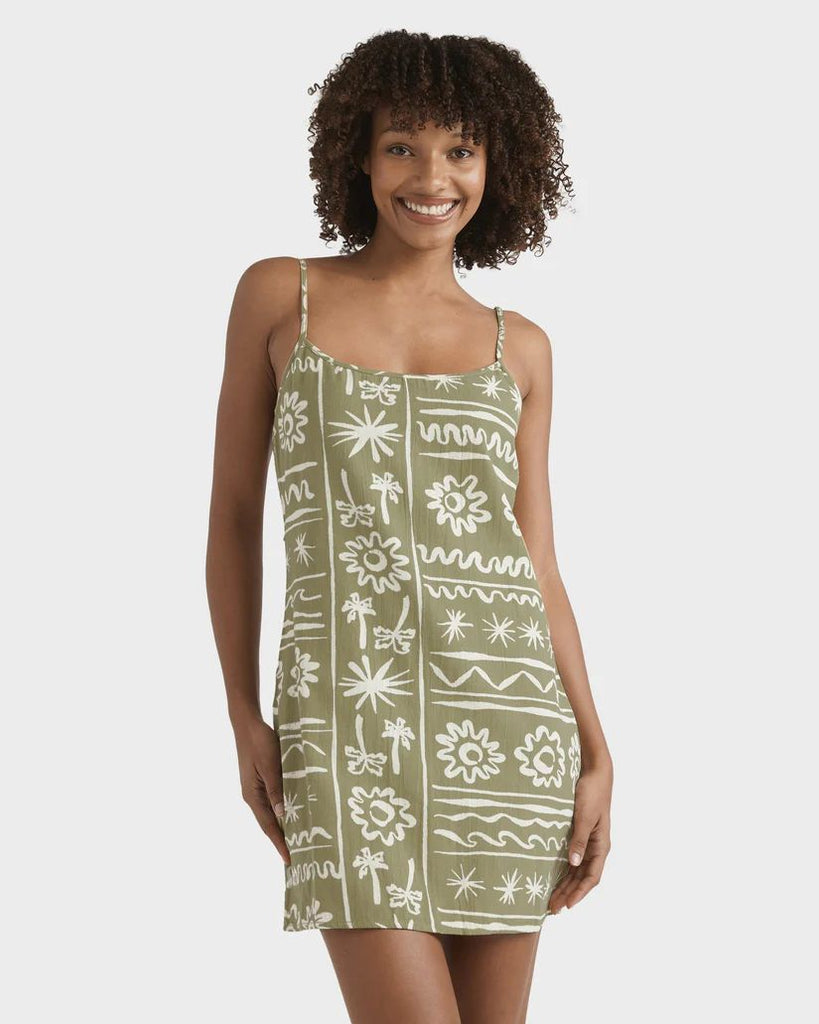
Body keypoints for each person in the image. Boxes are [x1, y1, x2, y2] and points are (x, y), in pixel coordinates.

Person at [207, 29, 613, 1023]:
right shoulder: (282, 294)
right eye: (402, 146)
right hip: (349, 718)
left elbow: (537, 563)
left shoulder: (520, 347)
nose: (432, 178)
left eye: (460, 150)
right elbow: (234, 516)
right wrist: (244, 711)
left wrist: (596, 750)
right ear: (359, 154)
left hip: (507, 728)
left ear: (496, 164)